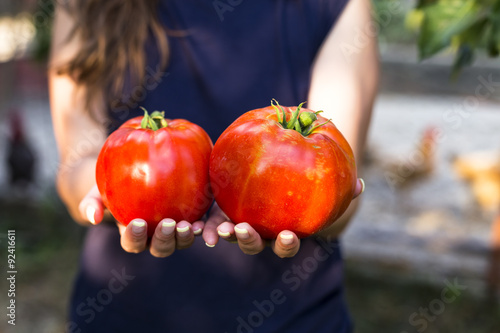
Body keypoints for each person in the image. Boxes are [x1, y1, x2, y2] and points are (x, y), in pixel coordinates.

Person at [49, 0, 378, 332]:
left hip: (293, 317)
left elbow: (337, 180)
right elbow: (76, 161)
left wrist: (313, 208)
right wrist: (105, 194)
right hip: (120, 313)